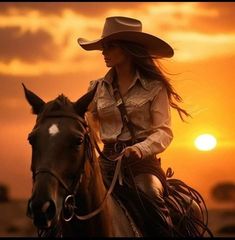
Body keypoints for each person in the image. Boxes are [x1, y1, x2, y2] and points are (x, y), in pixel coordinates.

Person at [77, 16, 193, 236]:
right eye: (103, 46)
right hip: (105, 163)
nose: (104, 52)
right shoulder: (97, 88)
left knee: (149, 194)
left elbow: (164, 132)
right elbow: (86, 115)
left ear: (129, 49)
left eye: (110, 46)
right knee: (71, 197)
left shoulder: (154, 87)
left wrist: (139, 149)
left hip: (142, 165)